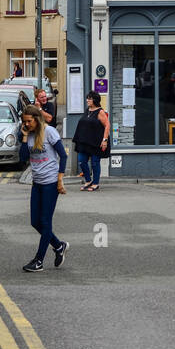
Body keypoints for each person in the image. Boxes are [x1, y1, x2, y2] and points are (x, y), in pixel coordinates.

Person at [20, 105, 68, 272]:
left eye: (29, 121)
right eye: (24, 122)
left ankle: (39, 261)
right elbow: (23, 158)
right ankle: (58, 246)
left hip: (50, 183)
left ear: (36, 119)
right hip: (37, 182)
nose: (26, 124)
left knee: (45, 221)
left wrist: (60, 179)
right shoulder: (29, 134)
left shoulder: (50, 132)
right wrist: (25, 137)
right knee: (35, 222)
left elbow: (63, 155)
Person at [72, 90, 111, 191]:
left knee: (95, 163)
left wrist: (105, 140)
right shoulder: (87, 110)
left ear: (95, 100)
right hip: (85, 142)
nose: (87, 100)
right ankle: (88, 180)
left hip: (96, 142)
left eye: (89, 98)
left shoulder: (100, 112)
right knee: (82, 161)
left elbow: (107, 125)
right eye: (87, 98)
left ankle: (96, 183)